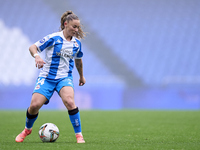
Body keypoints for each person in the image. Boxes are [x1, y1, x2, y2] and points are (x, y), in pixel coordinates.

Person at [15, 10, 86, 143]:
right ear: (66, 24)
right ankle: (27, 130)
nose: (76, 30)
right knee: (34, 105)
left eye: (78, 27)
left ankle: (79, 135)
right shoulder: (54, 38)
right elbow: (33, 47)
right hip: (47, 78)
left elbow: (78, 60)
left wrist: (81, 76)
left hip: (64, 78)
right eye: (74, 27)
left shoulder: (77, 44)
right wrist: (37, 57)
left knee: (70, 102)